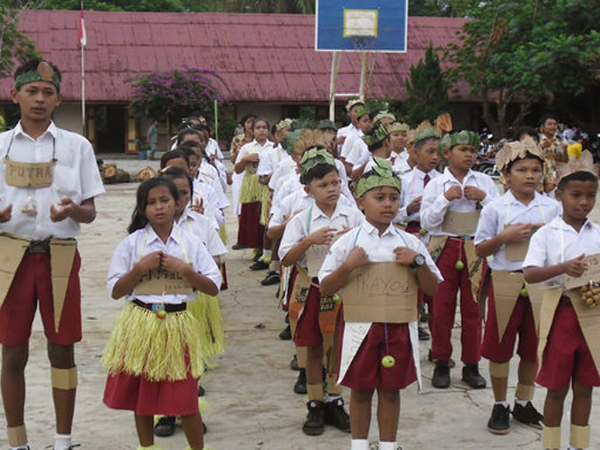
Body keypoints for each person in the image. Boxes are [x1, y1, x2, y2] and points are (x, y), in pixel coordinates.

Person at [0, 59, 105, 450]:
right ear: (15, 96)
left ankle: (63, 439)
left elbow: (91, 212)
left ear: (59, 98)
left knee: (62, 347)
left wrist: (73, 211)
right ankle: (17, 441)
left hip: (59, 253)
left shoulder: (77, 147)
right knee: (12, 350)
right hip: (10, 255)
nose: (40, 99)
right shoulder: (0, 147)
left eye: (47, 92)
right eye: (32, 91)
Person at [319, 159, 442, 450]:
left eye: (394, 197)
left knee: (390, 390)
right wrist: (348, 266)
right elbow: (325, 288)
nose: (388, 204)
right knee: (360, 391)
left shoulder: (410, 242)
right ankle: (358, 445)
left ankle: (388, 445)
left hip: (398, 327)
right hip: (359, 328)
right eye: (379, 198)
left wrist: (418, 263)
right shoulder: (348, 243)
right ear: (361, 202)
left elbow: (432, 288)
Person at [102, 178, 221, 450]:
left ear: (177, 203)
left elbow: (213, 287)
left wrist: (186, 270)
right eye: (152, 203)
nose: (159, 207)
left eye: (165, 201)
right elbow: (116, 290)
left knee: (185, 398)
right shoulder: (132, 244)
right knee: (143, 395)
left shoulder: (190, 243)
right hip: (141, 323)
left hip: (178, 324)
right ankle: (148, 447)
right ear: (143, 209)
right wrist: (139, 269)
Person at [474, 138, 561, 435]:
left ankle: (524, 401)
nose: (529, 175)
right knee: (500, 349)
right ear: (506, 175)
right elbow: (480, 250)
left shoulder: (552, 209)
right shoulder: (495, 209)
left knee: (532, 349)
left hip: (541, 283)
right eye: (522, 169)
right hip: (505, 282)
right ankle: (501, 404)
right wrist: (503, 238)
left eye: (536, 170)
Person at [279, 147, 363, 436]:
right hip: (312, 288)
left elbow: (368, 250)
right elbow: (286, 258)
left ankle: (336, 400)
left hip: (343, 291)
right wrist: (308, 241)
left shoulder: (353, 217)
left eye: (335, 183)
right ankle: (315, 403)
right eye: (322, 185)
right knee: (313, 347)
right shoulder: (301, 220)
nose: (331, 189)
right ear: (308, 189)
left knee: (338, 347)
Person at [522, 159, 600, 450]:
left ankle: (578, 446)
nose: (584, 202)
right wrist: (563, 268)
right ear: (559, 196)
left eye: (590, 196)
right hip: (562, 314)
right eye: (576, 195)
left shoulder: (597, 233)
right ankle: (551, 446)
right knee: (556, 388)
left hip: (592, 313)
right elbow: (530, 273)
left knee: (585, 386)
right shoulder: (547, 234)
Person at [421, 130, 499, 389]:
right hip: (444, 246)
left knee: (473, 309)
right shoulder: (435, 185)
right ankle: (441, 361)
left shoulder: (485, 183)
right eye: (463, 149)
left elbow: (500, 217)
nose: (469, 155)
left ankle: (472, 364)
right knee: (441, 309)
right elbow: (427, 223)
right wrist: (445, 199)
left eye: (472, 150)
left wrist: (484, 199)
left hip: (474, 247)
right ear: (447, 153)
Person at [234, 117, 273, 261]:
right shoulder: (247, 148)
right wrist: (245, 159)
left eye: (264, 127)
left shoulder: (273, 147)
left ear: (268, 130)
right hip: (251, 183)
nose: (261, 130)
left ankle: (267, 248)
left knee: (266, 214)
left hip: (268, 184)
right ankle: (256, 247)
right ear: (252, 131)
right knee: (253, 215)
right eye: (258, 128)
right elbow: (237, 170)